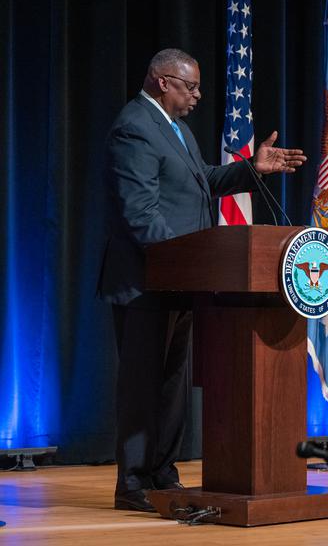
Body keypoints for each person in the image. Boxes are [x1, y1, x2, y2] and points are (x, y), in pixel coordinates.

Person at [97, 48, 306, 512]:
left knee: (171, 385)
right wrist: (186, 261)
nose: (198, 95)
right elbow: (140, 213)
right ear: (161, 81)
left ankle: (163, 476)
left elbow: (203, 180)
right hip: (147, 282)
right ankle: (132, 485)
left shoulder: (179, 131)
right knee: (141, 385)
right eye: (190, 86)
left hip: (180, 281)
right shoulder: (134, 127)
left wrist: (252, 170)